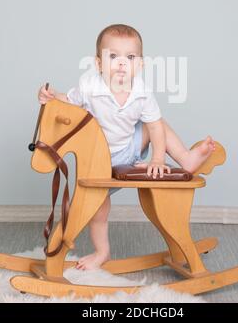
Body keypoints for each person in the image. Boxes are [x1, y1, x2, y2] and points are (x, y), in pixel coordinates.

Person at [38, 23, 215, 270]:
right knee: (98, 213)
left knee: (157, 122)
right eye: (113, 56)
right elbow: (69, 102)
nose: (122, 63)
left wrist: (157, 160)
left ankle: (186, 158)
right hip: (101, 159)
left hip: (132, 146)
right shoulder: (90, 86)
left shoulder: (141, 92)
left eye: (130, 57)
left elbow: (153, 128)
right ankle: (102, 252)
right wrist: (51, 94)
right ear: (98, 63)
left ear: (140, 64)